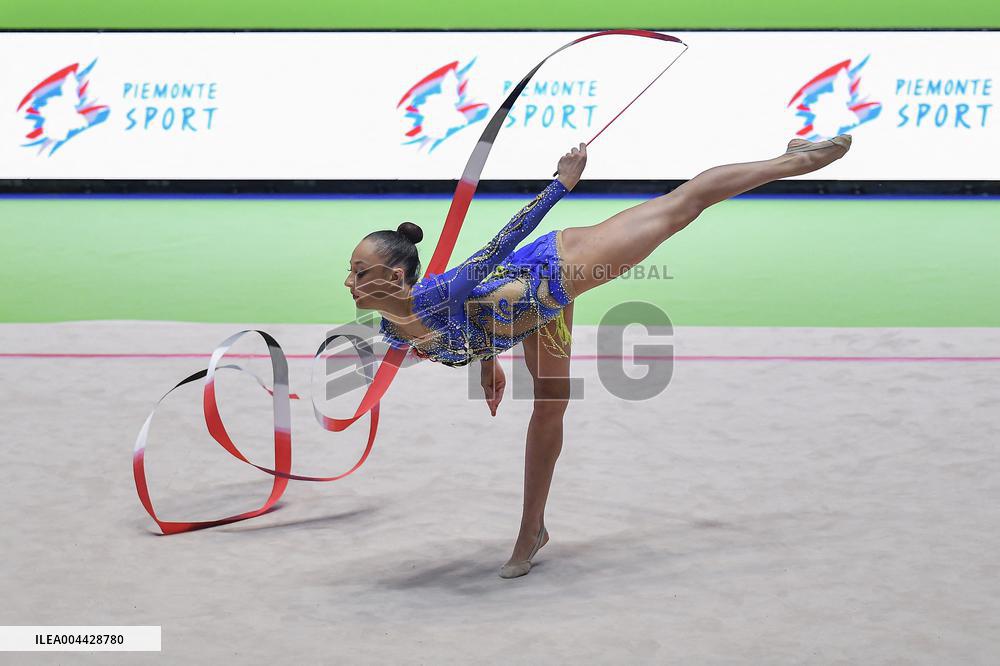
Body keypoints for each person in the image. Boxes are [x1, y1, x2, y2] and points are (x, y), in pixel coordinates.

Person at [344, 135, 852, 578]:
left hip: (559, 268)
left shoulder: (438, 294)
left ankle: (792, 162)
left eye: (359, 272)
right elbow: (463, 332)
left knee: (679, 207)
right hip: (537, 314)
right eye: (351, 270)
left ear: (394, 278)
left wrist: (562, 183)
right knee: (548, 410)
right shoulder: (395, 329)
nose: (349, 282)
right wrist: (487, 362)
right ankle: (532, 530)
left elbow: (503, 244)